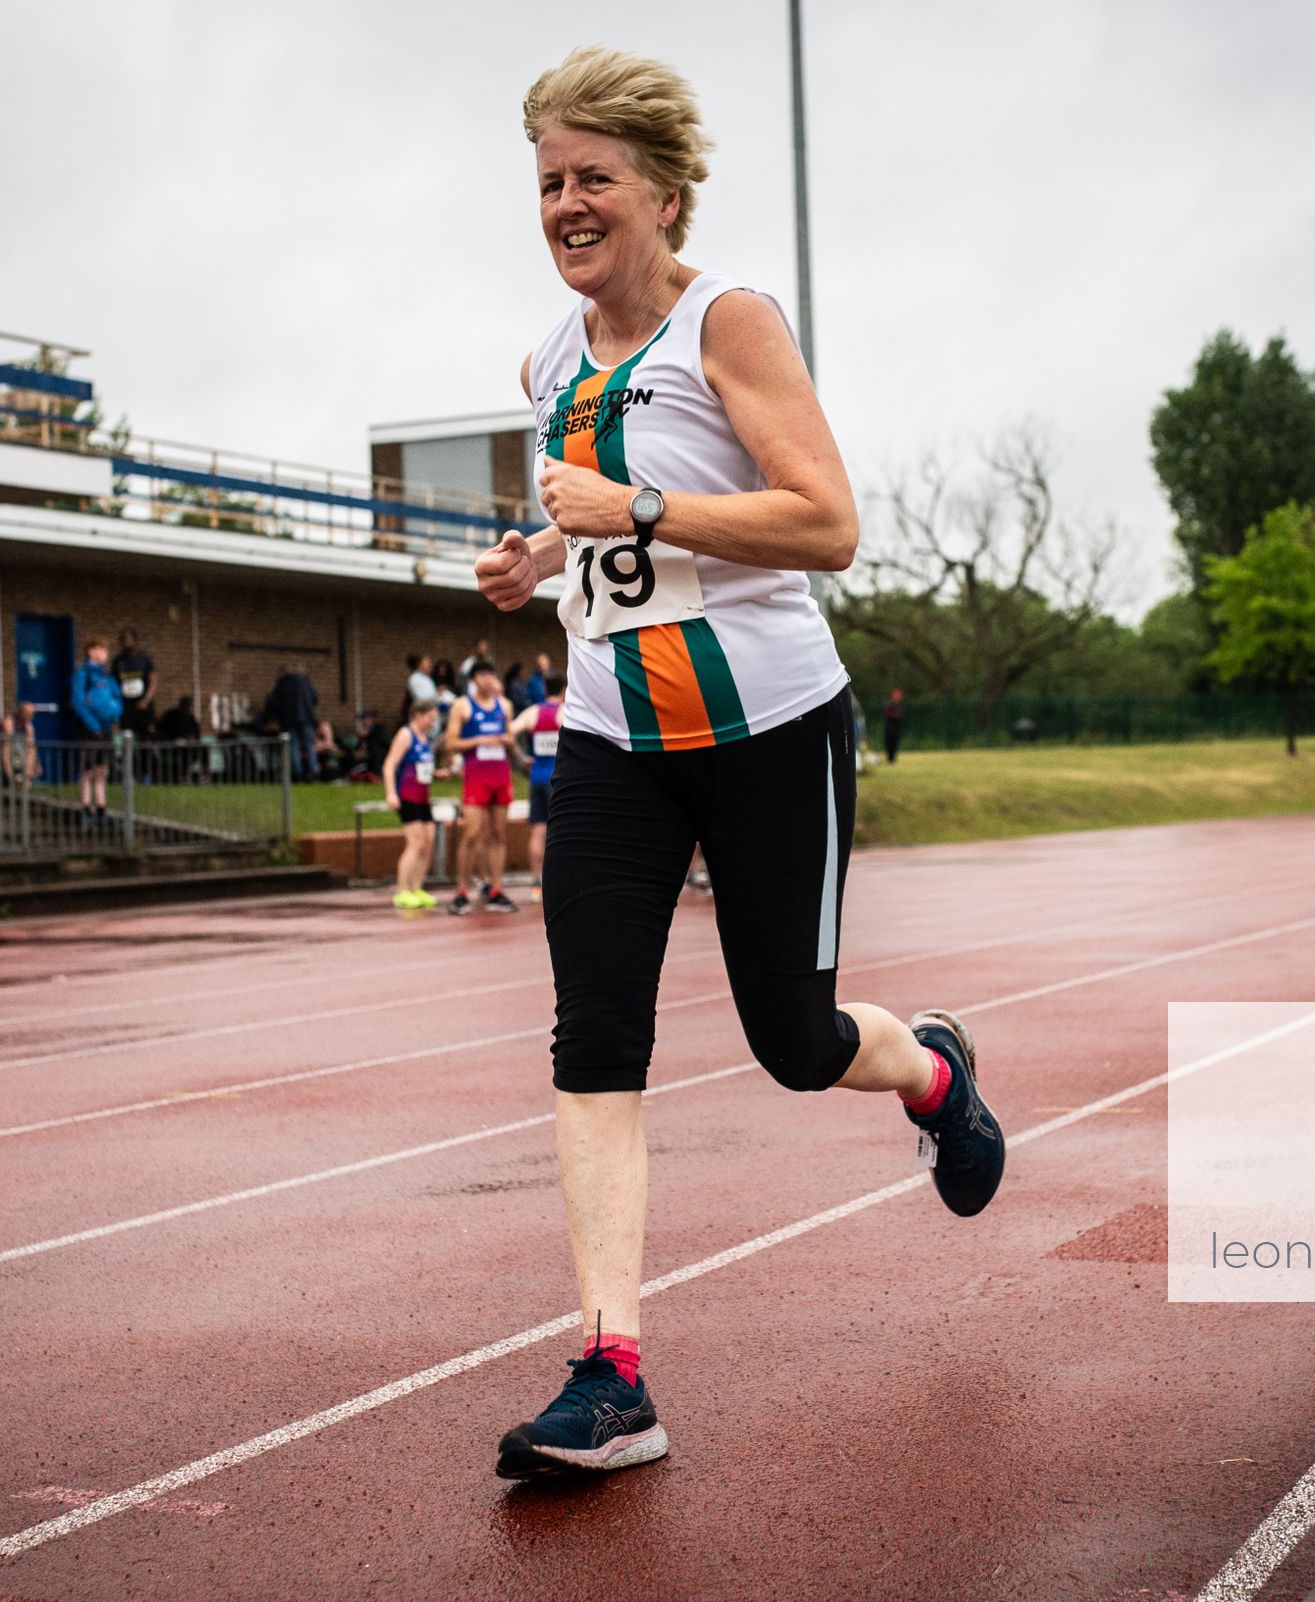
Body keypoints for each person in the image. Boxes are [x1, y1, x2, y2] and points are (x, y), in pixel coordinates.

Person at [473, 48, 1005, 1480]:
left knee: (794, 1042)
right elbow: (602, 531)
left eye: (594, 177)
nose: (567, 204)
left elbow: (827, 524)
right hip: (612, 740)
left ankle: (934, 1075)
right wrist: (541, 556)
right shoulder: (543, 362)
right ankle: (611, 1374)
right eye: (548, 181)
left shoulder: (731, 321)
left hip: (771, 735)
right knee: (594, 1034)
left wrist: (638, 502)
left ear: (664, 192)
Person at [440, 659, 519, 915]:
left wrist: (506, 740)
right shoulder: (462, 706)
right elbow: (450, 743)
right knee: (472, 833)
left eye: (491, 674)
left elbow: (510, 737)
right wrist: (480, 740)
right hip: (476, 777)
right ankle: (462, 891)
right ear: (473, 680)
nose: (487, 680)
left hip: (500, 775)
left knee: (499, 834)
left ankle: (496, 889)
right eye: (482, 675)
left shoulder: (504, 705)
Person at [510, 669, 565, 900]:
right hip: (559, 779)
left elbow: (509, 731)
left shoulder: (533, 712)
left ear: (543, 689)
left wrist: (521, 757)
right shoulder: (566, 712)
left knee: (538, 831)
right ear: (564, 690)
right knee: (560, 832)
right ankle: (560, 882)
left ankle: (536, 883)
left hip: (537, 778)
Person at [382, 699, 442, 910]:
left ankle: (416, 888)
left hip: (423, 797)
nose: (433, 723)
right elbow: (389, 765)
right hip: (407, 796)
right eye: (430, 718)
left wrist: (437, 774)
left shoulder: (425, 739)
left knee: (427, 843)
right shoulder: (405, 735)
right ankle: (402, 891)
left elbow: (421, 768)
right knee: (415, 843)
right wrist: (391, 793)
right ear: (418, 715)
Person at [69, 637, 124, 827]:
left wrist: (115, 714)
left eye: (105, 649)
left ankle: (101, 810)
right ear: (91, 651)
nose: (105, 653)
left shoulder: (107, 675)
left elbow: (117, 697)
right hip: (89, 730)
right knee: (87, 771)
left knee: (102, 770)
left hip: (106, 729)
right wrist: (93, 725)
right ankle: (86, 810)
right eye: (101, 649)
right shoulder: (82, 674)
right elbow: (78, 702)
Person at [265, 662, 319, 782]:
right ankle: (313, 772)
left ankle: (298, 774)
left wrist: (276, 716)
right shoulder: (306, 682)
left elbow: (274, 702)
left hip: (289, 720)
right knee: (309, 745)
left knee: (293, 746)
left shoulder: (283, 683)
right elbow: (315, 699)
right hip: (306, 719)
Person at [113, 628, 158, 740]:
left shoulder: (144, 659)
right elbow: (113, 683)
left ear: (135, 640)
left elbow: (153, 680)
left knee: (146, 736)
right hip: (126, 707)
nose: (125, 642)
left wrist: (146, 700)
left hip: (143, 706)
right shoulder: (118, 661)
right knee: (127, 736)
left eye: (128, 639)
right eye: (122, 639)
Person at [882, 687, 905, 766]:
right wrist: (896, 715)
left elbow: (901, 714)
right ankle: (889, 758)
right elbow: (889, 714)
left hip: (896, 727)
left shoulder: (898, 705)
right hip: (889, 727)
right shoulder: (889, 704)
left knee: (895, 743)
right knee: (889, 743)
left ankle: (892, 758)